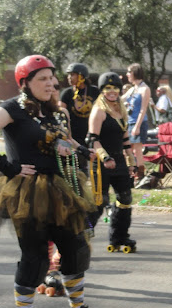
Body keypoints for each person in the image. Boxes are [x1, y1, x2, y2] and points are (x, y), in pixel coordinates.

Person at [0, 55, 108, 308]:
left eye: (51, 78)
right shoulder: (12, 108)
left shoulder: (55, 111)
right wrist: (7, 167)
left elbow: (65, 141)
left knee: (75, 249)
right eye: (42, 79)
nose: (51, 83)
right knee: (35, 257)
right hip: (27, 193)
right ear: (25, 83)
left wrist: (85, 152)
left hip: (61, 189)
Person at [87, 72, 138, 253]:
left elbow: (126, 140)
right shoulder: (99, 111)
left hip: (119, 162)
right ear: (102, 90)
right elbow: (92, 139)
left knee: (125, 199)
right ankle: (82, 235)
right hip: (102, 163)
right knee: (100, 201)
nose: (112, 91)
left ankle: (119, 236)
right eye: (108, 88)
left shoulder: (120, 111)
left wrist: (132, 161)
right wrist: (105, 158)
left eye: (115, 88)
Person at [59, 63, 100, 174]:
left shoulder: (95, 91)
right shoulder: (67, 93)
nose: (69, 78)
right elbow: (60, 115)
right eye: (68, 75)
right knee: (79, 170)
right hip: (74, 137)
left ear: (82, 76)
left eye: (72, 74)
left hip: (91, 135)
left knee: (96, 169)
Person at [123, 63, 150, 182]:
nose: (127, 74)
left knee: (137, 150)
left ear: (135, 73)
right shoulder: (133, 89)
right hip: (129, 122)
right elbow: (121, 99)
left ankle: (140, 174)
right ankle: (131, 172)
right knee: (127, 149)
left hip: (139, 123)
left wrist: (137, 127)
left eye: (129, 72)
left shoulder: (145, 89)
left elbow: (143, 109)